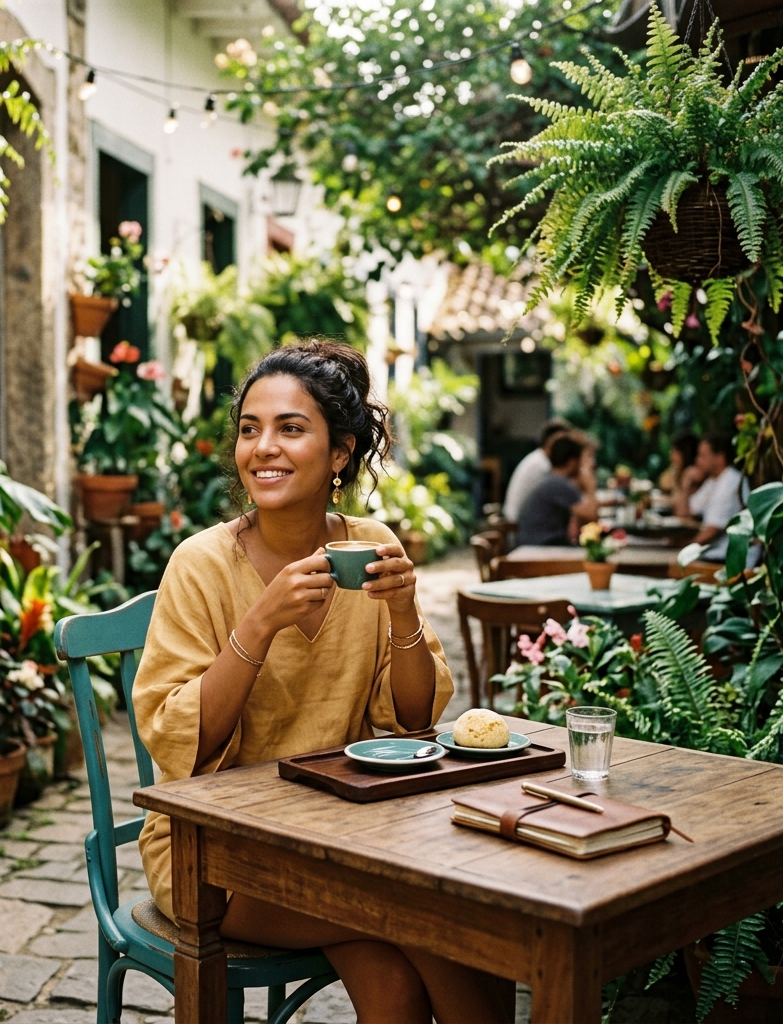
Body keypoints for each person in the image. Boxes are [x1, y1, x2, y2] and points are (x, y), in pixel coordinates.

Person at [132, 341, 514, 1024]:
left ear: (340, 453)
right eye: (250, 428)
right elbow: (176, 737)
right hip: (214, 855)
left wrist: (400, 613)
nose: (263, 448)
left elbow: (415, 722)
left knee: (395, 981)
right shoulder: (200, 565)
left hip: (345, 842)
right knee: (439, 918)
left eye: (290, 428)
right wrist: (260, 624)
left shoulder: (370, 545)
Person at [515, 435, 600, 547]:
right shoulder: (560, 484)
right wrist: (590, 485)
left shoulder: (552, 479)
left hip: (535, 542)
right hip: (541, 546)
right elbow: (592, 516)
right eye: (581, 461)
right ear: (572, 462)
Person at [674, 433, 744, 562]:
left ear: (720, 459)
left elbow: (712, 531)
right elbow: (683, 514)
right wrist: (686, 484)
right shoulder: (713, 481)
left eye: (703, 456)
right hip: (712, 553)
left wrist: (684, 549)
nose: (697, 460)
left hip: (727, 559)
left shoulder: (730, 482)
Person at [502, 417, 573, 523]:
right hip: (518, 528)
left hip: (520, 522)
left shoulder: (538, 458)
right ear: (551, 441)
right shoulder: (542, 465)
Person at [659, 432, 701, 501]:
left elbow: (681, 501)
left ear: (685, 453)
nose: (671, 455)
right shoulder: (677, 470)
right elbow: (663, 482)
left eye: (674, 451)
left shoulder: (694, 475)